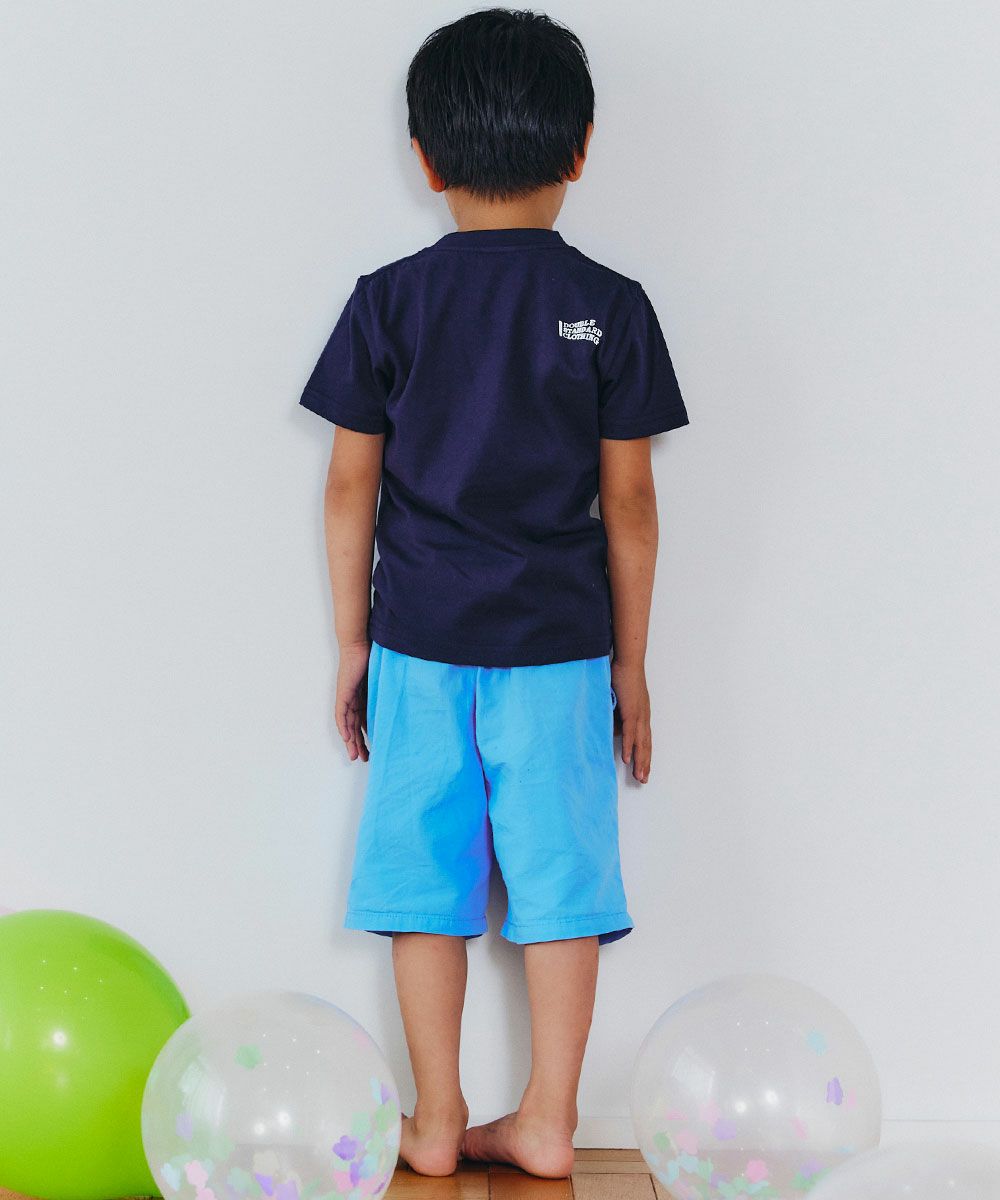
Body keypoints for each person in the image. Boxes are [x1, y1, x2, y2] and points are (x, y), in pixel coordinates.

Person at [298, 6, 689, 1181]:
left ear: (425, 158)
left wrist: (352, 644)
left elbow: (348, 489)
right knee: (562, 886)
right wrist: (631, 663)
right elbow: (630, 505)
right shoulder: (612, 305)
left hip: (417, 645)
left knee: (425, 887)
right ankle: (549, 1119)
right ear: (580, 149)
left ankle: (433, 1122)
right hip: (562, 652)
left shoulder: (388, 300)